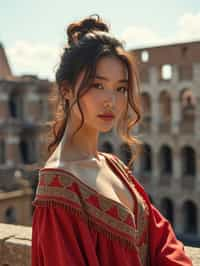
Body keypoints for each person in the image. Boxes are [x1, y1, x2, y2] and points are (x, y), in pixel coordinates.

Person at [31, 14, 192, 266]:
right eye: (97, 85)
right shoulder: (58, 188)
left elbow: (162, 239)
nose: (112, 101)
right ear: (66, 90)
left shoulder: (113, 164)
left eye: (120, 88)